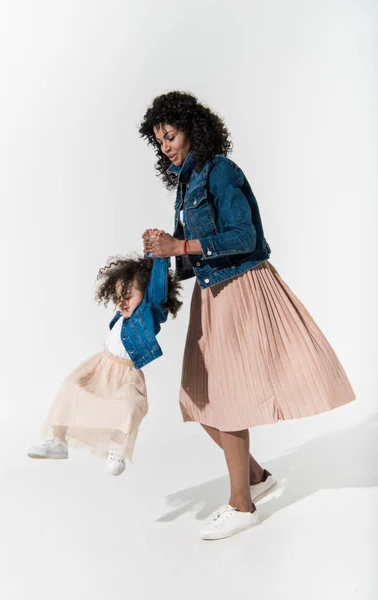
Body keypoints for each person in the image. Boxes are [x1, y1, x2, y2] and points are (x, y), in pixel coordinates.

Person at [140, 91, 356, 540]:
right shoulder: (187, 182)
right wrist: (157, 261)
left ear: (192, 128)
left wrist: (178, 246)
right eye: (159, 141)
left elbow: (244, 235)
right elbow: (190, 255)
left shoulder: (220, 172)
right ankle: (256, 476)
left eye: (171, 135)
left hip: (240, 288)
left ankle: (242, 505)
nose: (166, 146)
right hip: (211, 292)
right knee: (198, 399)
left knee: (228, 398)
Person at [28, 254, 182, 475]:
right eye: (118, 297)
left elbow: (156, 288)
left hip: (127, 372)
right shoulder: (122, 313)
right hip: (101, 363)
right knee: (72, 387)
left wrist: (159, 256)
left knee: (128, 406)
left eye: (128, 297)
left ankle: (117, 451)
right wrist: (149, 254)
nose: (121, 303)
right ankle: (58, 442)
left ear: (145, 294)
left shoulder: (148, 311)